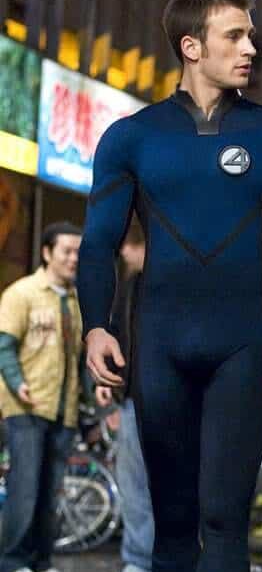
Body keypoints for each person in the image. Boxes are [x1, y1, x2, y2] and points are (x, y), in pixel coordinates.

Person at [77, 0, 262, 572]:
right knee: (171, 526)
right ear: (192, 47)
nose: (251, 48)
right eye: (234, 36)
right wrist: (96, 326)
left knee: (225, 523)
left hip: (241, 349)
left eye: (251, 36)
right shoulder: (131, 138)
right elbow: (98, 243)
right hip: (158, 348)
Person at [0, 222, 84, 572]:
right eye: (67, 251)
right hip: (27, 406)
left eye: (79, 252)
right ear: (47, 253)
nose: (74, 258)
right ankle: (12, 561)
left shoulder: (78, 302)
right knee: (26, 488)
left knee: (50, 492)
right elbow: (4, 345)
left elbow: (79, 356)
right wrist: (17, 382)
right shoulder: (22, 293)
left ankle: (41, 560)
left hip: (64, 410)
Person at [95, 230, 154, 572]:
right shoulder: (128, 287)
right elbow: (114, 335)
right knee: (134, 484)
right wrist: (109, 386)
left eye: (131, 246)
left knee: (175, 482)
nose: (126, 254)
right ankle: (138, 559)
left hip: (179, 399)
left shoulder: (186, 284)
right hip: (133, 399)